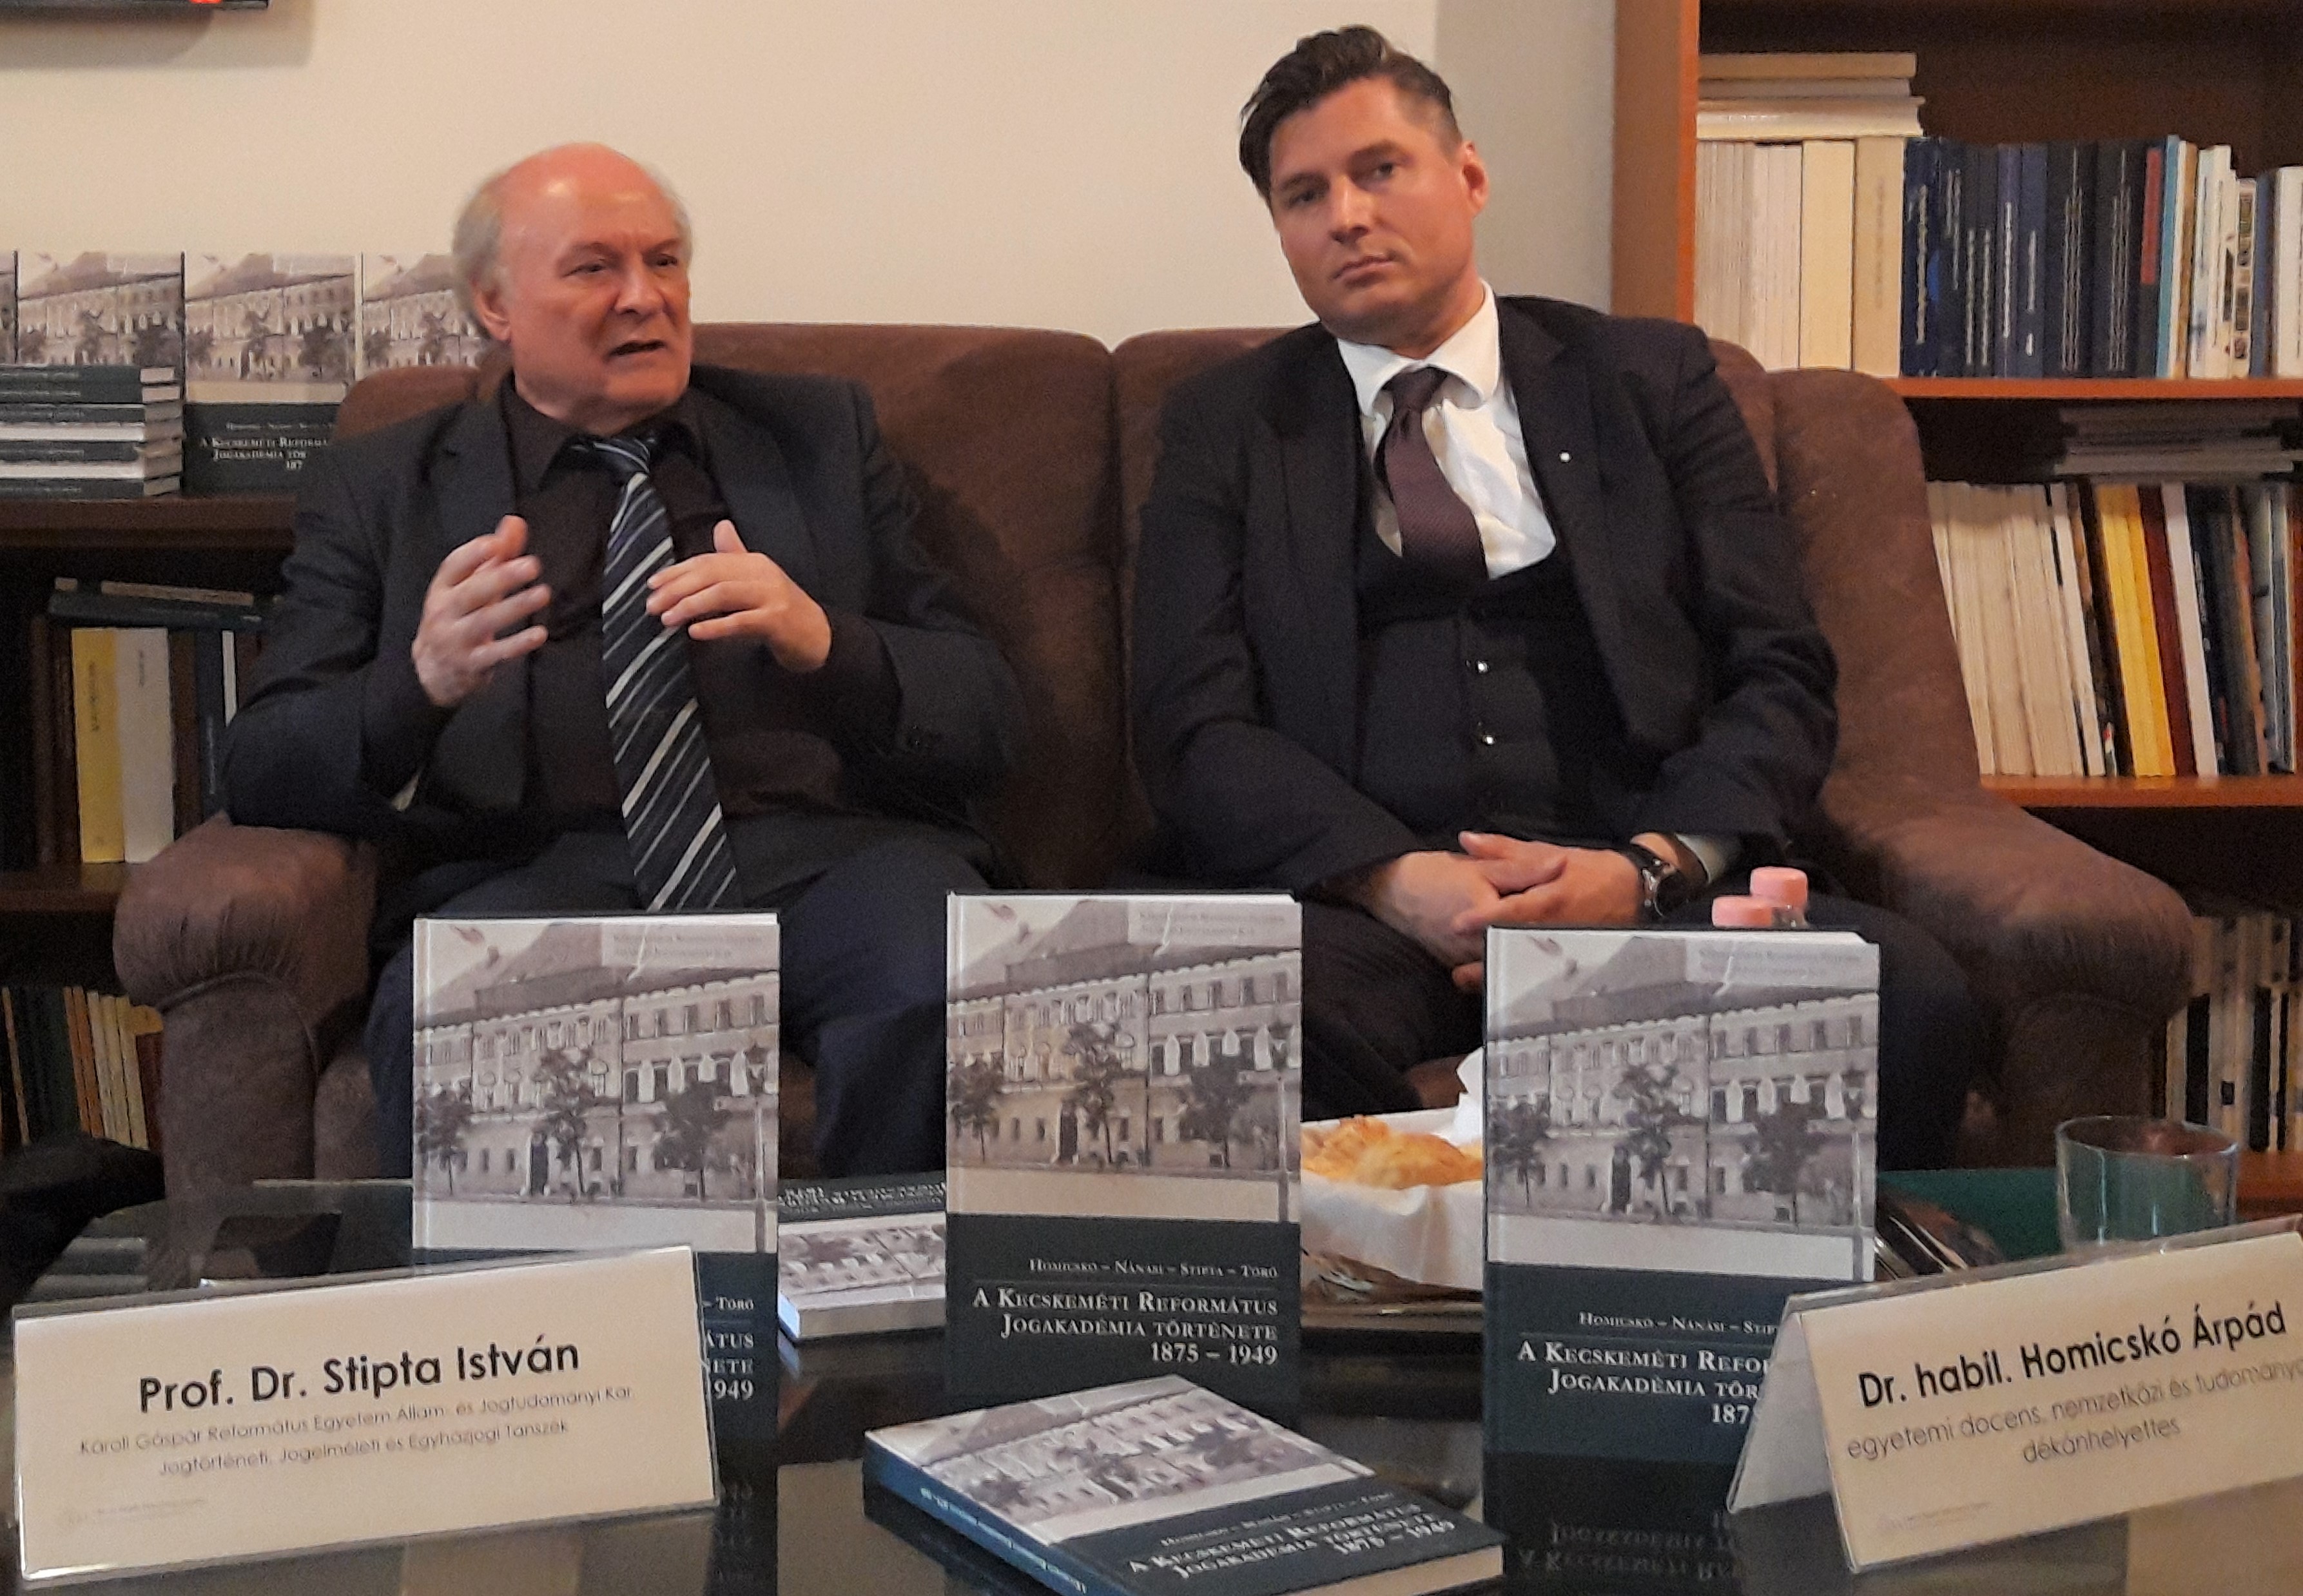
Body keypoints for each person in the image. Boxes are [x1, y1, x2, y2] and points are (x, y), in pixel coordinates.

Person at [1130, 29, 1979, 1168]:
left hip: (1635, 892)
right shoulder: (1225, 425)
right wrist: (1391, 879)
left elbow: (1776, 667)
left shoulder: (1651, 381)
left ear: (1469, 176)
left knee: (1903, 994)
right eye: (1304, 195)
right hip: (1357, 911)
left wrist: (1645, 871)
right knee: (1173, 1031)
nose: (1346, 216)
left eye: (1380, 170)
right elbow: (1191, 721)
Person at [225, 144, 1023, 1178]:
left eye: (666, 261)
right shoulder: (384, 484)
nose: (645, 297)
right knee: (456, 1009)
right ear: (495, 304)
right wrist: (419, 682)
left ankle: (884, 1281)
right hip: (543, 875)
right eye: (594, 268)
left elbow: (988, 714)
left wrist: (825, 639)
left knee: (954, 977)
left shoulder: (818, 437)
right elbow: (264, 765)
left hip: (830, 866)